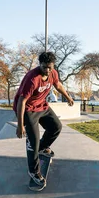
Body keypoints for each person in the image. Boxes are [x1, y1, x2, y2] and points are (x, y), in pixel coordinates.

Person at [14, 51, 74, 189]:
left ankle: (41, 147)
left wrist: (68, 97)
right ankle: (34, 171)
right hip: (28, 109)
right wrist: (20, 125)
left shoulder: (53, 73)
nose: (47, 70)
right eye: (44, 67)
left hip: (42, 106)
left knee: (56, 127)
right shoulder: (32, 78)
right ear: (39, 64)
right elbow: (21, 102)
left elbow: (58, 85)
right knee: (33, 141)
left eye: (49, 67)